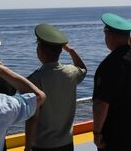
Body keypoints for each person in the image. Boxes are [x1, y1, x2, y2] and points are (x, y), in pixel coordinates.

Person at [25, 23, 87, 151]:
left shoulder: (34, 80)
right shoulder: (71, 72)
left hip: (42, 144)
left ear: (40, 51)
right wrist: (70, 50)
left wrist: (28, 146)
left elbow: (33, 117)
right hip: (66, 142)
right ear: (60, 51)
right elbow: (83, 69)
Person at [92, 13, 131, 151]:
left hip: (115, 132)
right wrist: (126, 35)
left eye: (106, 34)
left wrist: (97, 132)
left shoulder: (109, 65)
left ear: (110, 35)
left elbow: (101, 103)